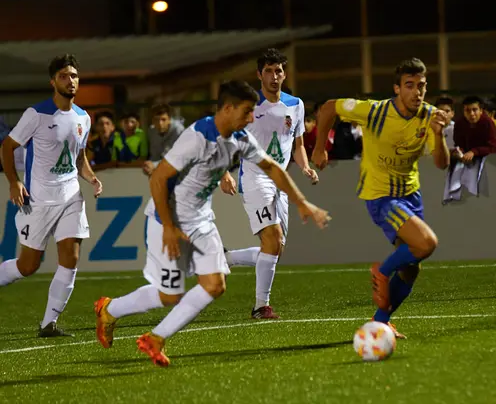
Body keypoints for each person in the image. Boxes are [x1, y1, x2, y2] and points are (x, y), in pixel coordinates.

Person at [93, 80, 330, 367]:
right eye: (246, 112)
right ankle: (110, 309)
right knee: (169, 295)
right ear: (228, 108)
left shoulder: (240, 137)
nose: (251, 118)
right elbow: (158, 178)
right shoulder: (197, 136)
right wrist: (168, 227)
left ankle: (155, 338)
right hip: (167, 218)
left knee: (215, 285)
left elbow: (271, 167)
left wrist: (302, 202)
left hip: (201, 220)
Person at [312, 58, 451, 339]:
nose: (417, 92)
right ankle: (383, 271)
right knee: (427, 243)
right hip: (381, 195)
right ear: (397, 89)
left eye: (421, 86)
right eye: (409, 85)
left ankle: (380, 322)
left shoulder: (430, 116)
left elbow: (442, 164)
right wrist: (319, 148)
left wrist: (439, 135)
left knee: (411, 269)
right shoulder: (374, 111)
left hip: (411, 194)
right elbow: (329, 107)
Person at [0, 54, 102, 337]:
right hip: (39, 201)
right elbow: (7, 147)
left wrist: (92, 178)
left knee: (71, 257)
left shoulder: (83, 118)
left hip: (71, 196)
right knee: (28, 266)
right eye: (64, 76)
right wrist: (14, 182)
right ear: (53, 82)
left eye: (74, 76)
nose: (71, 81)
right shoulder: (36, 114)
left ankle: (49, 324)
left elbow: (79, 157)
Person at [220, 48, 319, 319]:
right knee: (272, 240)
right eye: (268, 71)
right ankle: (260, 307)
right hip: (254, 178)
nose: (274, 76)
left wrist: (305, 166)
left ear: (285, 74)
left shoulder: (295, 105)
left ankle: (226, 259)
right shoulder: (248, 105)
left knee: (275, 249)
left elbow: (297, 144)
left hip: (280, 182)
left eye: (278, 71)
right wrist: (224, 173)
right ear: (259, 74)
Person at [143, 104, 185, 176]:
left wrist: (154, 165)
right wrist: (148, 166)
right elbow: (154, 155)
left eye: (163, 119)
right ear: (152, 120)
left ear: (169, 119)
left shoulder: (179, 131)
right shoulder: (151, 131)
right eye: (156, 119)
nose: (160, 123)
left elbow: (177, 158)